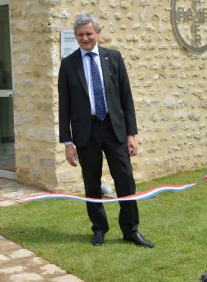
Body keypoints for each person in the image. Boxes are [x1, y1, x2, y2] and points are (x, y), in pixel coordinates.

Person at [58, 12, 154, 248]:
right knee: (92, 183)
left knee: (125, 180)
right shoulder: (68, 64)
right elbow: (64, 106)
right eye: (80, 35)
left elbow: (126, 99)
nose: (85, 38)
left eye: (89, 33)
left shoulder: (115, 58)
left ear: (98, 33)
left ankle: (131, 230)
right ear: (76, 36)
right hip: (85, 132)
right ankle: (99, 228)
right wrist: (67, 143)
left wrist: (131, 134)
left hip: (114, 129)